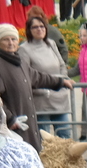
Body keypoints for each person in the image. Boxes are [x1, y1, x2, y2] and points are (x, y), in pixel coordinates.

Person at [0, 23, 72, 150]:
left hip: (27, 123)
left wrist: (60, 82)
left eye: (13, 39)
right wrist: (10, 119)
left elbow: (38, 77)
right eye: (5, 39)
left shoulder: (19, 60)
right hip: (14, 128)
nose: (11, 43)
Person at [18, 11, 73, 139]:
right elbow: (26, 75)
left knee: (65, 135)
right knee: (45, 138)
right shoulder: (24, 49)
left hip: (60, 98)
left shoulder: (51, 44)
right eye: (35, 27)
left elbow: (61, 65)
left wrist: (64, 80)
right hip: (41, 99)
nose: (39, 29)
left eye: (42, 26)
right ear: (29, 30)